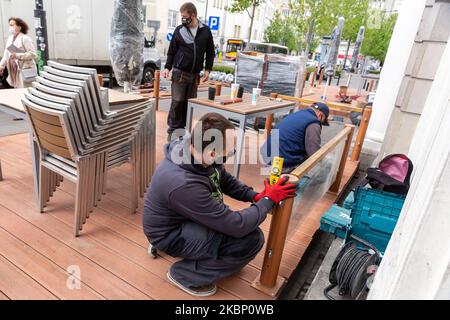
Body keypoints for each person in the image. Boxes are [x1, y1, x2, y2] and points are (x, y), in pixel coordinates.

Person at [143, 113, 297, 297]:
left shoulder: (196, 149)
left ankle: (203, 253)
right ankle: (185, 275)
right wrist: (267, 201)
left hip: (183, 217)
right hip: (169, 234)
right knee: (250, 240)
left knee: (237, 235)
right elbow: (236, 225)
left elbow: (224, 180)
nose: (230, 155)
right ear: (213, 153)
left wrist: (255, 196)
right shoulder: (183, 183)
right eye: (229, 152)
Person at [162, 2, 215, 140]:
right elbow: (171, 51)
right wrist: (167, 67)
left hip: (194, 75)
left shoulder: (206, 31)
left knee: (189, 105)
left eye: (185, 16)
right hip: (179, 73)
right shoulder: (179, 30)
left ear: (193, 15)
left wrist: (208, 69)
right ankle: (172, 134)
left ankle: (183, 134)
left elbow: (210, 52)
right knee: (177, 103)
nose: (183, 19)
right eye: (181, 16)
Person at [261, 102, 330, 173]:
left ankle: (276, 179)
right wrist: (324, 161)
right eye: (322, 121)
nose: (321, 123)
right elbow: (313, 151)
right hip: (283, 163)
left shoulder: (298, 114)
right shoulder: (313, 123)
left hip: (269, 155)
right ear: (320, 115)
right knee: (322, 168)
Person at [0, 17, 37, 88]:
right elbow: (6, 55)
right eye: (9, 25)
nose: (10, 27)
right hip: (13, 71)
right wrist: (1, 66)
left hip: (24, 69)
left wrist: (17, 55)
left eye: (12, 25)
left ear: (19, 27)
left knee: (26, 89)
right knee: (17, 89)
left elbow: (33, 54)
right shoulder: (10, 38)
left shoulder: (25, 39)